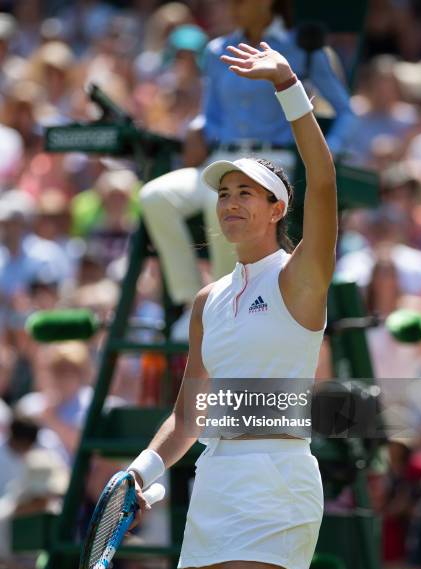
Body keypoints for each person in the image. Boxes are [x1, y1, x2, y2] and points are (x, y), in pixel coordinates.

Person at [127, 40, 336, 569]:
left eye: (247, 192)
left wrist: (288, 87)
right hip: (212, 482)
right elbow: (189, 412)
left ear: (277, 210)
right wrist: (143, 469)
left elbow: (323, 183)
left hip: (276, 481)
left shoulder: (300, 277)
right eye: (223, 193)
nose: (231, 202)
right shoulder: (206, 301)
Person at [140, 0, 350, 338]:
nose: (231, 5)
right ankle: (192, 304)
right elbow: (211, 115)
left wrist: (323, 155)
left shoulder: (302, 49)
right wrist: (197, 128)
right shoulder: (215, 49)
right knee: (155, 196)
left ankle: (227, 305)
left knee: (220, 201)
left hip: (273, 163)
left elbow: (345, 112)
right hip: (220, 159)